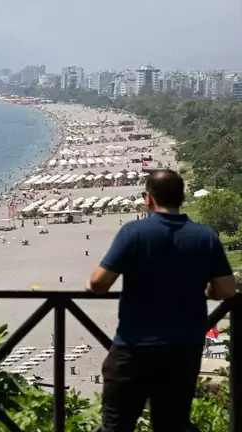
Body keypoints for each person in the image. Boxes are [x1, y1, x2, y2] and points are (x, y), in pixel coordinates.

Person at [86, 169, 237, 432]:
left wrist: (90, 284)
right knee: (172, 425)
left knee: (116, 425)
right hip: (182, 350)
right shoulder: (205, 237)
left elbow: (100, 283)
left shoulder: (134, 233)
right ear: (181, 198)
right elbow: (225, 289)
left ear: (148, 199)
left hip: (134, 346)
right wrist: (206, 292)